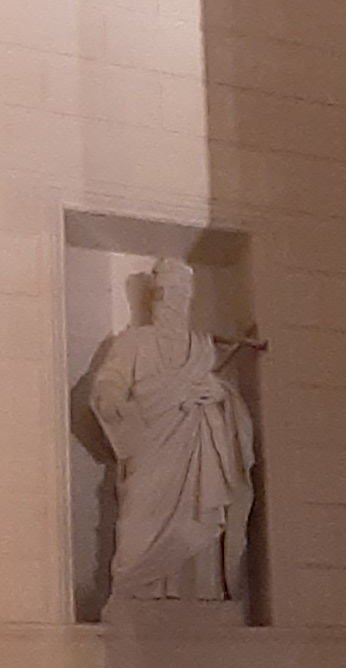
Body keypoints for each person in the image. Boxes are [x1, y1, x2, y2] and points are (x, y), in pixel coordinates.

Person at [90, 258, 254, 604]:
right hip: (149, 442)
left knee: (197, 512)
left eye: (181, 293)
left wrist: (219, 393)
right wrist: (111, 398)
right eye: (166, 292)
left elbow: (224, 394)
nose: (173, 301)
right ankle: (136, 589)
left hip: (195, 446)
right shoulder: (134, 342)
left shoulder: (203, 347)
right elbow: (110, 380)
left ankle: (198, 593)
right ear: (154, 297)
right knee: (139, 518)